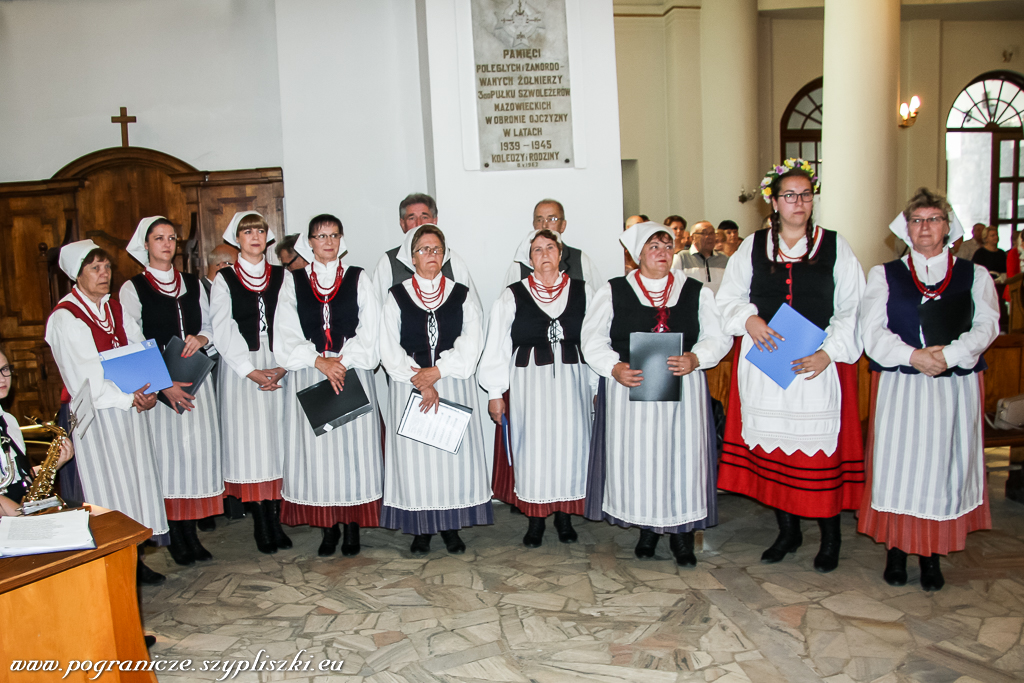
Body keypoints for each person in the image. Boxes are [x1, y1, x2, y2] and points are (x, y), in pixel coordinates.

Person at [717, 158, 866, 573]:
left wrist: (828, 352)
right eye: (789, 195)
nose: (798, 202)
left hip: (817, 365)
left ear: (812, 200)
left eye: (805, 194)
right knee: (776, 451)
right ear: (774, 202)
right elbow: (728, 297)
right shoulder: (752, 246)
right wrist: (750, 320)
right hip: (769, 364)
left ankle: (830, 536)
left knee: (818, 455)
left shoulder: (836, 247)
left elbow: (853, 306)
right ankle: (788, 531)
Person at [858, 188, 998, 592]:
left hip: (953, 386)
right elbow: (871, 331)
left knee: (941, 467)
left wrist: (950, 355)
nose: (925, 228)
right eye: (917, 220)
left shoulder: (975, 274)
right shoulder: (884, 274)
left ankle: (932, 556)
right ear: (906, 227)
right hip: (904, 383)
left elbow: (987, 324)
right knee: (900, 467)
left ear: (947, 226)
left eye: (933, 219)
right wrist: (913, 355)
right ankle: (897, 552)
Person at [580, 222, 731, 565]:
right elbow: (592, 339)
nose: (662, 253)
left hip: (682, 390)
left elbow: (718, 337)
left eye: (667, 246)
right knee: (640, 460)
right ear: (637, 255)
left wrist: (696, 358)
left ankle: (681, 536)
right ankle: (647, 527)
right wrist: (614, 367)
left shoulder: (695, 291)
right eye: (654, 247)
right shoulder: (614, 290)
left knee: (681, 459)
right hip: (631, 391)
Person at [45, 239, 168, 584]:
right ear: (76, 275)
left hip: (129, 408)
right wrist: (130, 398)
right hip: (96, 417)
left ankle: (135, 557)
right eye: (94, 268)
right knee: (107, 488)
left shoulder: (115, 308)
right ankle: (110, 562)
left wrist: (150, 388)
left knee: (134, 481)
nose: (104, 274)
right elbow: (86, 378)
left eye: (107, 267)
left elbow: (138, 347)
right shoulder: (67, 318)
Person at [274, 214, 384, 557]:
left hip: (350, 371)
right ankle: (328, 528)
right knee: (319, 455)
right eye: (321, 236)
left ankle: (351, 527)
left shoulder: (357, 277)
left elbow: (371, 328)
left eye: (334, 235)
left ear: (341, 239)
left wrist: (342, 361)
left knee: (353, 453)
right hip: (312, 372)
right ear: (309, 242)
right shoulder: (293, 281)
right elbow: (286, 331)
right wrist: (318, 361)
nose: (328, 242)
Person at [379, 224, 492, 555]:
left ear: (445, 255)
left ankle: (451, 527)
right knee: (418, 462)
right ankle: (421, 528)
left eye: (436, 250)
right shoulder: (396, 295)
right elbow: (388, 347)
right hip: (410, 386)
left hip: (452, 384)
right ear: (411, 257)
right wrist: (420, 380)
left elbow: (472, 344)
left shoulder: (462, 294)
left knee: (450, 459)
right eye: (423, 250)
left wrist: (438, 373)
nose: (431, 255)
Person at [480, 229, 597, 547]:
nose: (544, 254)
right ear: (528, 258)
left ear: (560, 253)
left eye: (550, 248)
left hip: (572, 384)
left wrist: (596, 385)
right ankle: (535, 519)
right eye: (536, 250)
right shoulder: (513, 294)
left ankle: (564, 516)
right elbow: (497, 346)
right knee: (533, 448)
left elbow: (596, 340)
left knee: (571, 447)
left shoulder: (585, 292)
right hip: (530, 385)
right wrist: (494, 393)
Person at [120, 217, 223, 566]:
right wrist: (164, 387)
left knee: (196, 457)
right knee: (170, 459)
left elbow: (211, 324)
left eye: (171, 238)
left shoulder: (193, 283)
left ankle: (192, 531)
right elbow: (132, 341)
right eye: (158, 238)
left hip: (196, 381)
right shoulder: (133, 288)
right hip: (161, 386)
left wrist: (202, 338)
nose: (166, 244)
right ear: (145, 245)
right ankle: (176, 534)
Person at [210, 211, 292, 554]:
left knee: (277, 441)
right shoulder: (224, 279)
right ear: (237, 238)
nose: (255, 236)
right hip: (242, 369)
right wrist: (249, 370)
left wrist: (284, 365)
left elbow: (292, 322)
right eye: (247, 232)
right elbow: (222, 329)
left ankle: (276, 515)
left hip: (278, 363)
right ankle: (260, 520)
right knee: (251, 446)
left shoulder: (283, 276)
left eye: (260, 230)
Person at [0, 343, 75, 516]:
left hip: (20, 509)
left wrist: (54, 464)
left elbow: (19, 476)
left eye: (5, 369)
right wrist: (22, 519)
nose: (3, 378)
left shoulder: (8, 421)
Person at [371, 193, 480, 310]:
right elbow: (377, 311)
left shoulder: (453, 260)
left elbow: (474, 310)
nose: (419, 223)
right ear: (402, 223)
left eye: (424, 217)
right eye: (412, 218)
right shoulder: (387, 263)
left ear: (434, 220)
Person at [502, 200, 603, 286]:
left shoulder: (580, 260)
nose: (545, 225)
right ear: (533, 225)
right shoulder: (519, 264)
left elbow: (597, 305)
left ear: (563, 225)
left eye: (552, 219)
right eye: (539, 220)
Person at [672, 221, 729, 294]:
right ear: (693, 238)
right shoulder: (681, 258)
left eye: (712, 233)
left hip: (719, 304)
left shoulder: (725, 260)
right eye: (704, 233)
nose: (709, 237)